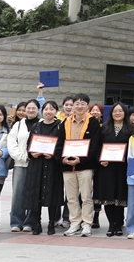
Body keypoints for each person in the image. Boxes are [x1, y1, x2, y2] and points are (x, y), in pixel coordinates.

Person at [56, 93, 102, 237]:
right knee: (71, 197)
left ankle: (87, 223)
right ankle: (75, 223)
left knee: (86, 196)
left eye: (83, 103)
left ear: (87, 106)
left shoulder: (93, 122)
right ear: (73, 105)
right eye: (77, 103)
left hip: (85, 166)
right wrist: (62, 159)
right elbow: (60, 143)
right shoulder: (65, 122)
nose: (80, 106)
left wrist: (81, 160)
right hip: (68, 166)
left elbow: (94, 146)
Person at [23, 100, 64, 235]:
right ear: (42, 111)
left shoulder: (60, 127)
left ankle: (52, 222)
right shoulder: (36, 126)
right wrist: (31, 152)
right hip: (37, 165)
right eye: (46, 109)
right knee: (36, 193)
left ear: (56, 112)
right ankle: (37, 223)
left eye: (52, 109)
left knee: (52, 193)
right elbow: (29, 144)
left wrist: (54, 155)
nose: (48, 112)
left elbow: (62, 145)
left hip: (52, 165)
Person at [94, 102, 130, 237]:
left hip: (122, 168)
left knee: (119, 196)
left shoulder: (130, 129)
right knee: (108, 196)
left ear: (125, 113)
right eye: (115, 111)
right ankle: (111, 224)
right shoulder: (104, 129)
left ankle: (118, 224)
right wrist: (100, 159)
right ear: (111, 113)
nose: (118, 113)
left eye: (120, 111)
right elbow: (96, 146)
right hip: (106, 168)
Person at [7, 98, 40, 232]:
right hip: (20, 164)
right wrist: (21, 156)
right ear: (25, 110)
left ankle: (30, 222)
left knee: (33, 194)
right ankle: (16, 222)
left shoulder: (41, 124)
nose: (31, 110)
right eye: (28, 108)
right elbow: (11, 142)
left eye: (34, 108)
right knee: (17, 194)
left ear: (38, 110)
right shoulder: (18, 125)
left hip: (36, 164)